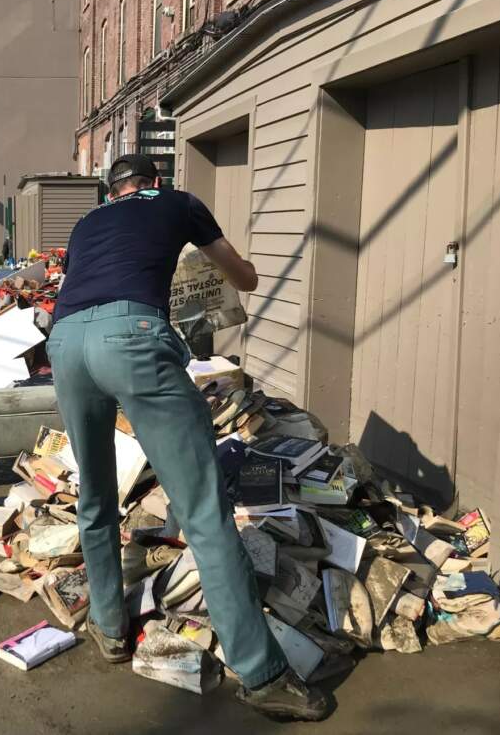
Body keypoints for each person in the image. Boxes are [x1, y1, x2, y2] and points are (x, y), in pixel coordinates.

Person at [46, 154, 330, 721]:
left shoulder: (86, 223)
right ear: (155, 182)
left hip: (65, 342)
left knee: (97, 496)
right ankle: (262, 674)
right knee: (202, 509)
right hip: (132, 338)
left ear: (114, 188)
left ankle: (109, 629)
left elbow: (93, 279)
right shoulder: (177, 202)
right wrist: (234, 269)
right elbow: (241, 277)